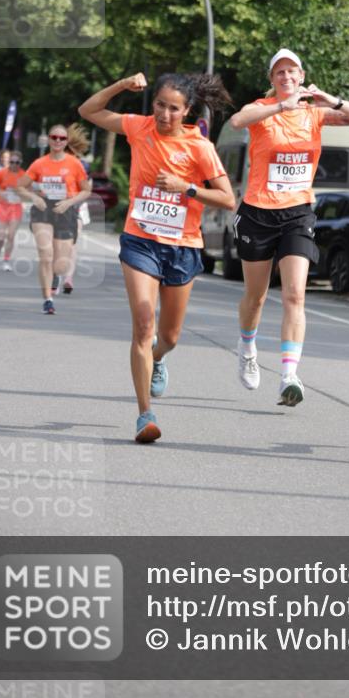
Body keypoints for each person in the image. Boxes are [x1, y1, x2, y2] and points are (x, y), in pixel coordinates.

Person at [78, 72, 235, 443]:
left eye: (174, 108)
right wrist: (120, 86)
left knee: (169, 337)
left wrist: (188, 188)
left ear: (187, 110)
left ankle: (159, 359)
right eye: (160, 104)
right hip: (141, 240)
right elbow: (88, 111)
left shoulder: (200, 147)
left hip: (183, 246)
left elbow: (228, 198)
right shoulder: (138, 127)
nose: (165, 114)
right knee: (144, 325)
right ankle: (144, 414)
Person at [230, 48, 349, 406]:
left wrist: (332, 100)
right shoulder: (262, 109)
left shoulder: (315, 114)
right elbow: (237, 121)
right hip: (258, 213)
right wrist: (281, 106)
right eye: (279, 73)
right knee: (256, 296)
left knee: (295, 294)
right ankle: (247, 346)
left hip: (298, 213)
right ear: (272, 80)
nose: (287, 77)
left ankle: (289, 375)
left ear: (302, 74)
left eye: (292, 71)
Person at [17, 125, 92, 314]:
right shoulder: (39, 163)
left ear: (66, 141)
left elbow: (86, 190)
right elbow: (20, 186)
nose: (58, 141)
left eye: (61, 138)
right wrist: (34, 198)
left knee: (61, 263)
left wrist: (70, 203)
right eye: (54, 137)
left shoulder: (75, 164)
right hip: (43, 209)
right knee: (45, 254)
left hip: (65, 210)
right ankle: (47, 300)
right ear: (49, 139)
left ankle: (56, 275)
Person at [51, 123, 92, 296]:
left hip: (74, 208)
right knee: (64, 245)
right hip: (62, 208)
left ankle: (65, 278)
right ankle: (61, 277)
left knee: (67, 244)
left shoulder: (80, 165)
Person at [0, 150, 25, 270]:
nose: (14, 164)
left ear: (20, 162)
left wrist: (20, 193)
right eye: (12, 162)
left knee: (10, 235)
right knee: (1, 236)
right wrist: (0, 191)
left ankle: (6, 260)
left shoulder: (23, 175)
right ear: (9, 161)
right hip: (2, 206)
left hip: (16, 207)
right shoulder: (2, 172)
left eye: (17, 162)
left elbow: (29, 191)